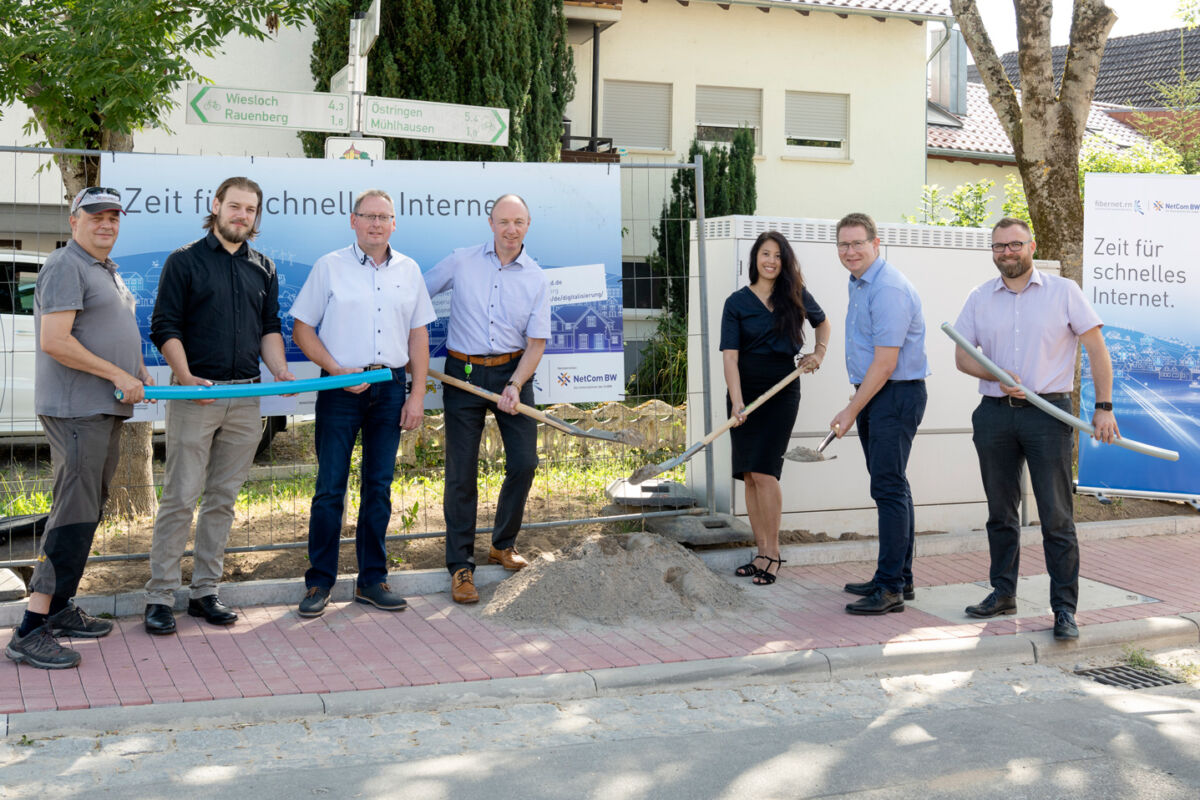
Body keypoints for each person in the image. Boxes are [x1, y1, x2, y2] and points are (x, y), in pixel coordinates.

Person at [5, 188, 151, 669]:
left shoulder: (100, 269)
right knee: (70, 515)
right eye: (95, 217)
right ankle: (30, 629)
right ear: (73, 222)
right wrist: (117, 373)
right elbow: (55, 341)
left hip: (99, 410)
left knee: (86, 511)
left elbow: (101, 333)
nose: (106, 224)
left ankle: (61, 608)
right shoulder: (66, 266)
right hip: (76, 411)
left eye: (113, 217)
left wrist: (136, 369)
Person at [953, 218, 1119, 641]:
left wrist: (1103, 408)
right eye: (998, 247)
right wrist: (994, 373)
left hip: (1049, 414)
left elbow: (1097, 348)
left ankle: (1064, 609)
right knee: (1000, 513)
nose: (1006, 253)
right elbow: (962, 356)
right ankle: (1002, 593)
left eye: (1014, 245)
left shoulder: (1064, 292)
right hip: (994, 413)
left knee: (1057, 517)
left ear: (1031, 246)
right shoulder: (979, 297)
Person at [144, 176, 294, 635]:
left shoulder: (262, 267)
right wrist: (187, 379)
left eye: (250, 210)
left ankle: (205, 591)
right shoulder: (184, 262)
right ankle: (159, 596)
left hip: (245, 398)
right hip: (196, 396)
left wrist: (281, 371)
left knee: (223, 500)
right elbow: (164, 326)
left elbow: (269, 328)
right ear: (216, 206)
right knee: (180, 497)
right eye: (235, 207)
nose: (242, 216)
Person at [289, 189, 436, 618]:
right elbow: (302, 329)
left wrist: (416, 395)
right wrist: (337, 371)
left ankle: (373, 581)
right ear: (352, 221)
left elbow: (418, 338)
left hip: (389, 386)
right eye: (367, 216)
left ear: (394, 224)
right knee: (329, 488)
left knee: (379, 487)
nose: (375, 223)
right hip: (340, 386)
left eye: (383, 217)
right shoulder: (329, 266)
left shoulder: (409, 271)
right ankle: (319, 583)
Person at [424, 194, 549, 604]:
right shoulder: (462, 260)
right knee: (462, 471)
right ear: (490, 223)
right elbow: (419, 293)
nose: (511, 229)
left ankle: (502, 543)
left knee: (525, 462)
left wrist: (514, 384)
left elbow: (536, 343)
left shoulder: (536, 276)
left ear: (528, 225)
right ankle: (461, 566)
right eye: (504, 221)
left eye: (519, 222)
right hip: (462, 374)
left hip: (513, 374)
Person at [830, 212, 930, 615]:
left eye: (857, 243)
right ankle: (897, 577)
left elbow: (886, 362)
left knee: (888, 488)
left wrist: (852, 409)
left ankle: (890, 588)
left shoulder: (887, 288)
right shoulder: (860, 284)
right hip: (877, 395)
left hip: (895, 394)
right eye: (843, 245)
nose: (850, 251)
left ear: (876, 243)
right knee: (891, 485)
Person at [722, 231, 831, 586]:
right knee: (750, 475)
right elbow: (730, 356)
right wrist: (737, 401)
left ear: (784, 262)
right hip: (745, 395)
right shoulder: (736, 303)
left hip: (781, 392)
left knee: (766, 472)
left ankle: (774, 553)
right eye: (765, 254)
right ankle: (760, 551)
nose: (770, 261)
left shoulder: (794, 294)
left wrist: (818, 353)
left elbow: (823, 322)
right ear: (755, 258)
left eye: (777, 256)